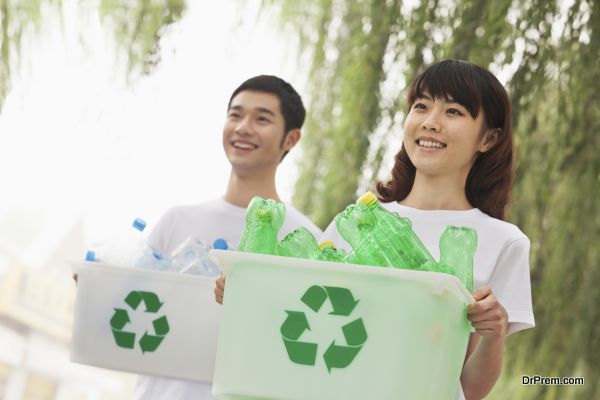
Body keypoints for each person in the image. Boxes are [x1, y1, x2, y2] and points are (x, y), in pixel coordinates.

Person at [319, 60, 534, 400]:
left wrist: (494, 333)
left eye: (453, 111)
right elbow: (298, 307)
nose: (430, 123)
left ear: (488, 139)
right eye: (421, 106)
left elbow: (470, 388)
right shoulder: (356, 221)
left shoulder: (504, 242)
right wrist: (244, 286)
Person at [135, 75, 322, 400]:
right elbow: (129, 312)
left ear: (290, 139)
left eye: (261, 119)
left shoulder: (305, 239)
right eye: (235, 115)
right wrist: (100, 286)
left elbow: (308, 346)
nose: (243, 127)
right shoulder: (176, 221)